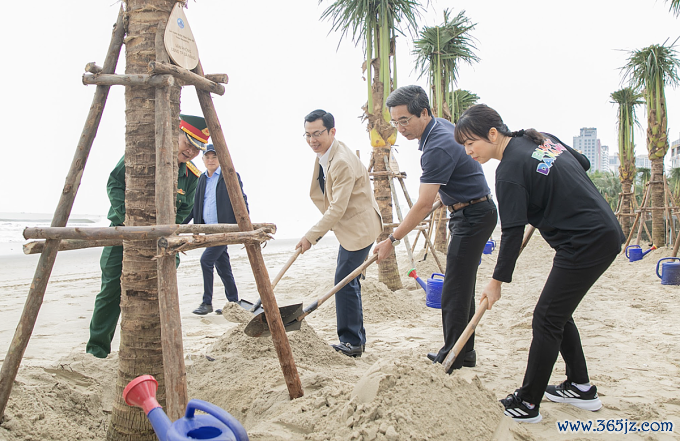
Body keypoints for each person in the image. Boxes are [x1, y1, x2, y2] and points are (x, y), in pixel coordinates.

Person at [453, 104, 625, 423]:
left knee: (546, 318)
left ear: (492, 134)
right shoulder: (542, 138)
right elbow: (582, 162)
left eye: (470, 143)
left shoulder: (507, 172)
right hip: (602, 231)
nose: (468, 151)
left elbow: (512, 231)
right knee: (557, 312)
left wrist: (496, 281)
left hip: (585, 242)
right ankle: (579, 386)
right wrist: (549, 187)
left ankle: (528, 402)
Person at [374, 85, 497, 371]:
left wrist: (391, 239)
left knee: (454, 288)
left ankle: (451, 356)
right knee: (461, 286)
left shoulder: (437, 144)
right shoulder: (438, 129)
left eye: (405, 120)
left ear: (424, 113)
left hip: (473, 215)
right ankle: (464, 353)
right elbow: (451, 178)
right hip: (472, 210)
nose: (400, 128)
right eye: (395, 122)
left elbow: (422, 204)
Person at [86, 114, 208, 358]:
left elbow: (185, 210)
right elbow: (115, 185)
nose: (192, 152)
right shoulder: (142, 155)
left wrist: (168, 230)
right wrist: (130, 222)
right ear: (176, 133)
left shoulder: (192, 175)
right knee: (110, 291)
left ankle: (158, 350)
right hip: (123, 235)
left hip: (161, 243)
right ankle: (97, 351)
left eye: (198, 148)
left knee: (162, 293)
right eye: (189, 144)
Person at [296, 109, 382, 358]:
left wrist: (310, 236)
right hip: (350, 227)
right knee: (349, 280)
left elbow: (338, 208)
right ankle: (356, 340)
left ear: (332, 131)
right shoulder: (326, 152)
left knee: (344, 282)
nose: (312, 140)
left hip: (359, 229)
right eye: (308, 134)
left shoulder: (341, 161)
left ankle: (352, 342)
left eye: (318, 134)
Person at [185, 144, 248, 315]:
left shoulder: (229, 176)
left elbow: (241, 199)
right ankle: (234, 303)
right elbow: (196, 205)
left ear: (220, 159)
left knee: (205, 261)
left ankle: (207, 303)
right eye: (208, 157)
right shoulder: (202, 179)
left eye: (215, 157)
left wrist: (245, 224)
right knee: (223, 266)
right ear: (203, 159)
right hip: (209, 230)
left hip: (225, 229)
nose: (211, 160)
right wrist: (183, 224)